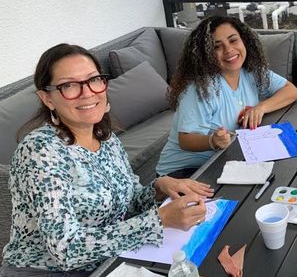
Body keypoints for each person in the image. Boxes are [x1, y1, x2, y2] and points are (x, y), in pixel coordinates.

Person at [1, 44, 214, 275]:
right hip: (46, 271)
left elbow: (129, 204)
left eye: (93, 80)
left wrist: (159, 188)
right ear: (47, 98)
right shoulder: (39, 151)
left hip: (110, 259)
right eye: (69, 85)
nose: (87, 92)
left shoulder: (106, 138)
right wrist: (159, 220)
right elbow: (65, 249)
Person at [156, 16, 297, 178]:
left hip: (224, 161)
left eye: (233, 40)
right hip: (184, 172)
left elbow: (291, 91)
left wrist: (260, 108)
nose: (229, 50)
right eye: (217, 46)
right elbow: (185, 140)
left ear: (244, 40)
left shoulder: (252, 71)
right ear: (207, 54)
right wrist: (212, 141)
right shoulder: (201, 88)